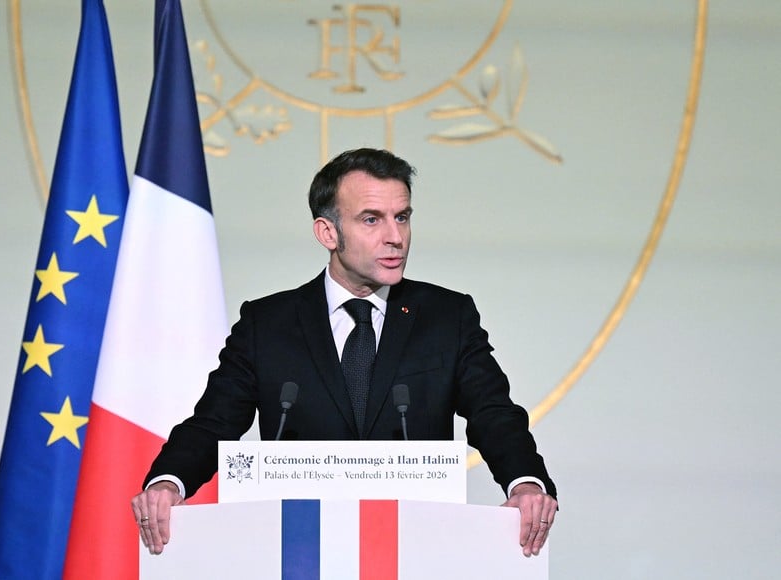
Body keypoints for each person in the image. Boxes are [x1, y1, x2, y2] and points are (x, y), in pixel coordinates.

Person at [131, 147, 558, 557]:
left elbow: (494, 414)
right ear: (327, 232)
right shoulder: (268, 323)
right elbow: (213, 423)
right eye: (372, 219)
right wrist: (169, 483)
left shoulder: (447, 317)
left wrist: (525, 483)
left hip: (414, 550)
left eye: (402, 217)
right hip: (298, 552)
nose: (395, 237)